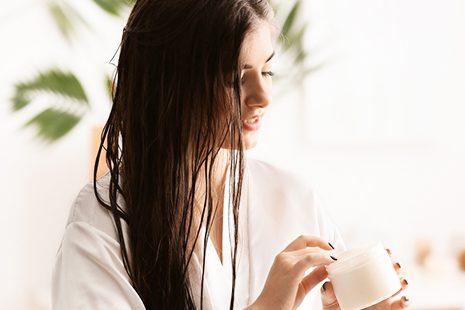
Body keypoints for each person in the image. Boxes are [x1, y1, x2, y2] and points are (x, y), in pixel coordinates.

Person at [52, 0, 409, 309]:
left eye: (267, 71)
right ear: (171, 84)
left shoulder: (293, 197)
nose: (263, 97)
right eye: (234, 79)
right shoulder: (102, 220)